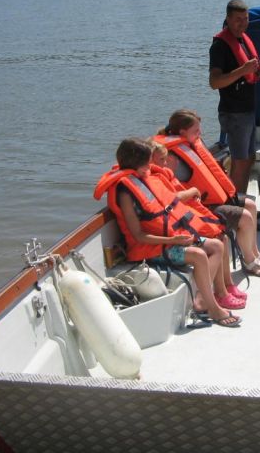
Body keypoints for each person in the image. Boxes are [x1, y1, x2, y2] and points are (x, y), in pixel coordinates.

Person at [94, 138, 241, 327]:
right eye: (147, 163)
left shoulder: (143, 180)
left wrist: (177, 237)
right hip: (149, 248)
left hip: (170, 239)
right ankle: (212, 307)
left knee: (217, 246)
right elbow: (139, 236)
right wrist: (175, 240)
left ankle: (201, 298)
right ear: (135, 164)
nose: (149, 167)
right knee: (198, 255)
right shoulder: (125, 193)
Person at [153, 109, 260, 278]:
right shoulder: (171, 158)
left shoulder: (190, 145)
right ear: (182, 132)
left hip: (215, 198)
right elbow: (171, 192)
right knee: (245, 217)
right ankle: (249, 262)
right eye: (196, 131)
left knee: (251, 205)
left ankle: (255, 253)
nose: (200, 133)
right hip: (201, 207)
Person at [150, 141, 248, 302]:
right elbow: (172, 199)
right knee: (218, 241)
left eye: (166, 159)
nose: (166, 163)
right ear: (149, 160)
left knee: (221, 237)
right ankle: (219, 293)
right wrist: (193, 191)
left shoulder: (161, 175)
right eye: (161, 159)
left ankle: (227, 285)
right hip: (164, 241)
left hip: (179, 225)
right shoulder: (152, 179)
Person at [209, 0, 260, 194]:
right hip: (233, 113)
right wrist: (241, 70)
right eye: (238, 19)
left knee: (249, 159)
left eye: (245, 19)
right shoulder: (220, 46)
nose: (242, 23)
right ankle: (235, 205)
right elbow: (214, 82)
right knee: (240, 161)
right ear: (228, 19)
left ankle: (241, 199)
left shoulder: (243, 40)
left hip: (247, 111)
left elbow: (255, 73)